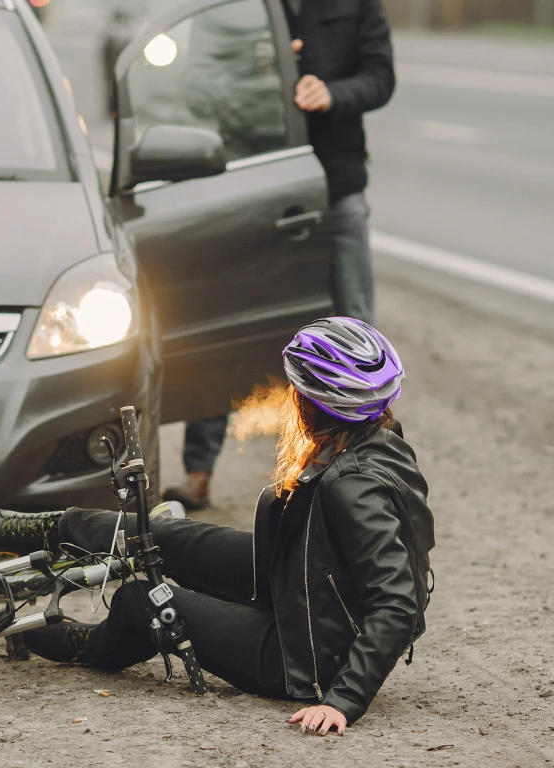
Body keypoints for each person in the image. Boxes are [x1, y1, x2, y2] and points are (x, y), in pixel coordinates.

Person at [0, 317, 432, 734]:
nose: (291, 398)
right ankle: (39, 528)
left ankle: (89, 645)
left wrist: (341, 700)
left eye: (298, 391)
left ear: (317, 404)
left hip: (304, 656)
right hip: (299, 584)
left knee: (143, 600)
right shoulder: (377, 440)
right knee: (159, 534)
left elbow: (398, 602)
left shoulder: (354, 487)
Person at [164, 0, 395, 510]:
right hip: (248, 186)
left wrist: (331, 92)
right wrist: (261, 68)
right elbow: (196, 85)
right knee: (224, 325)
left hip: (335, 188)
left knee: (353, 331)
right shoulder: (233, 9)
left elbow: (381, 77)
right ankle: (198, 474)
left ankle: (364, 477)